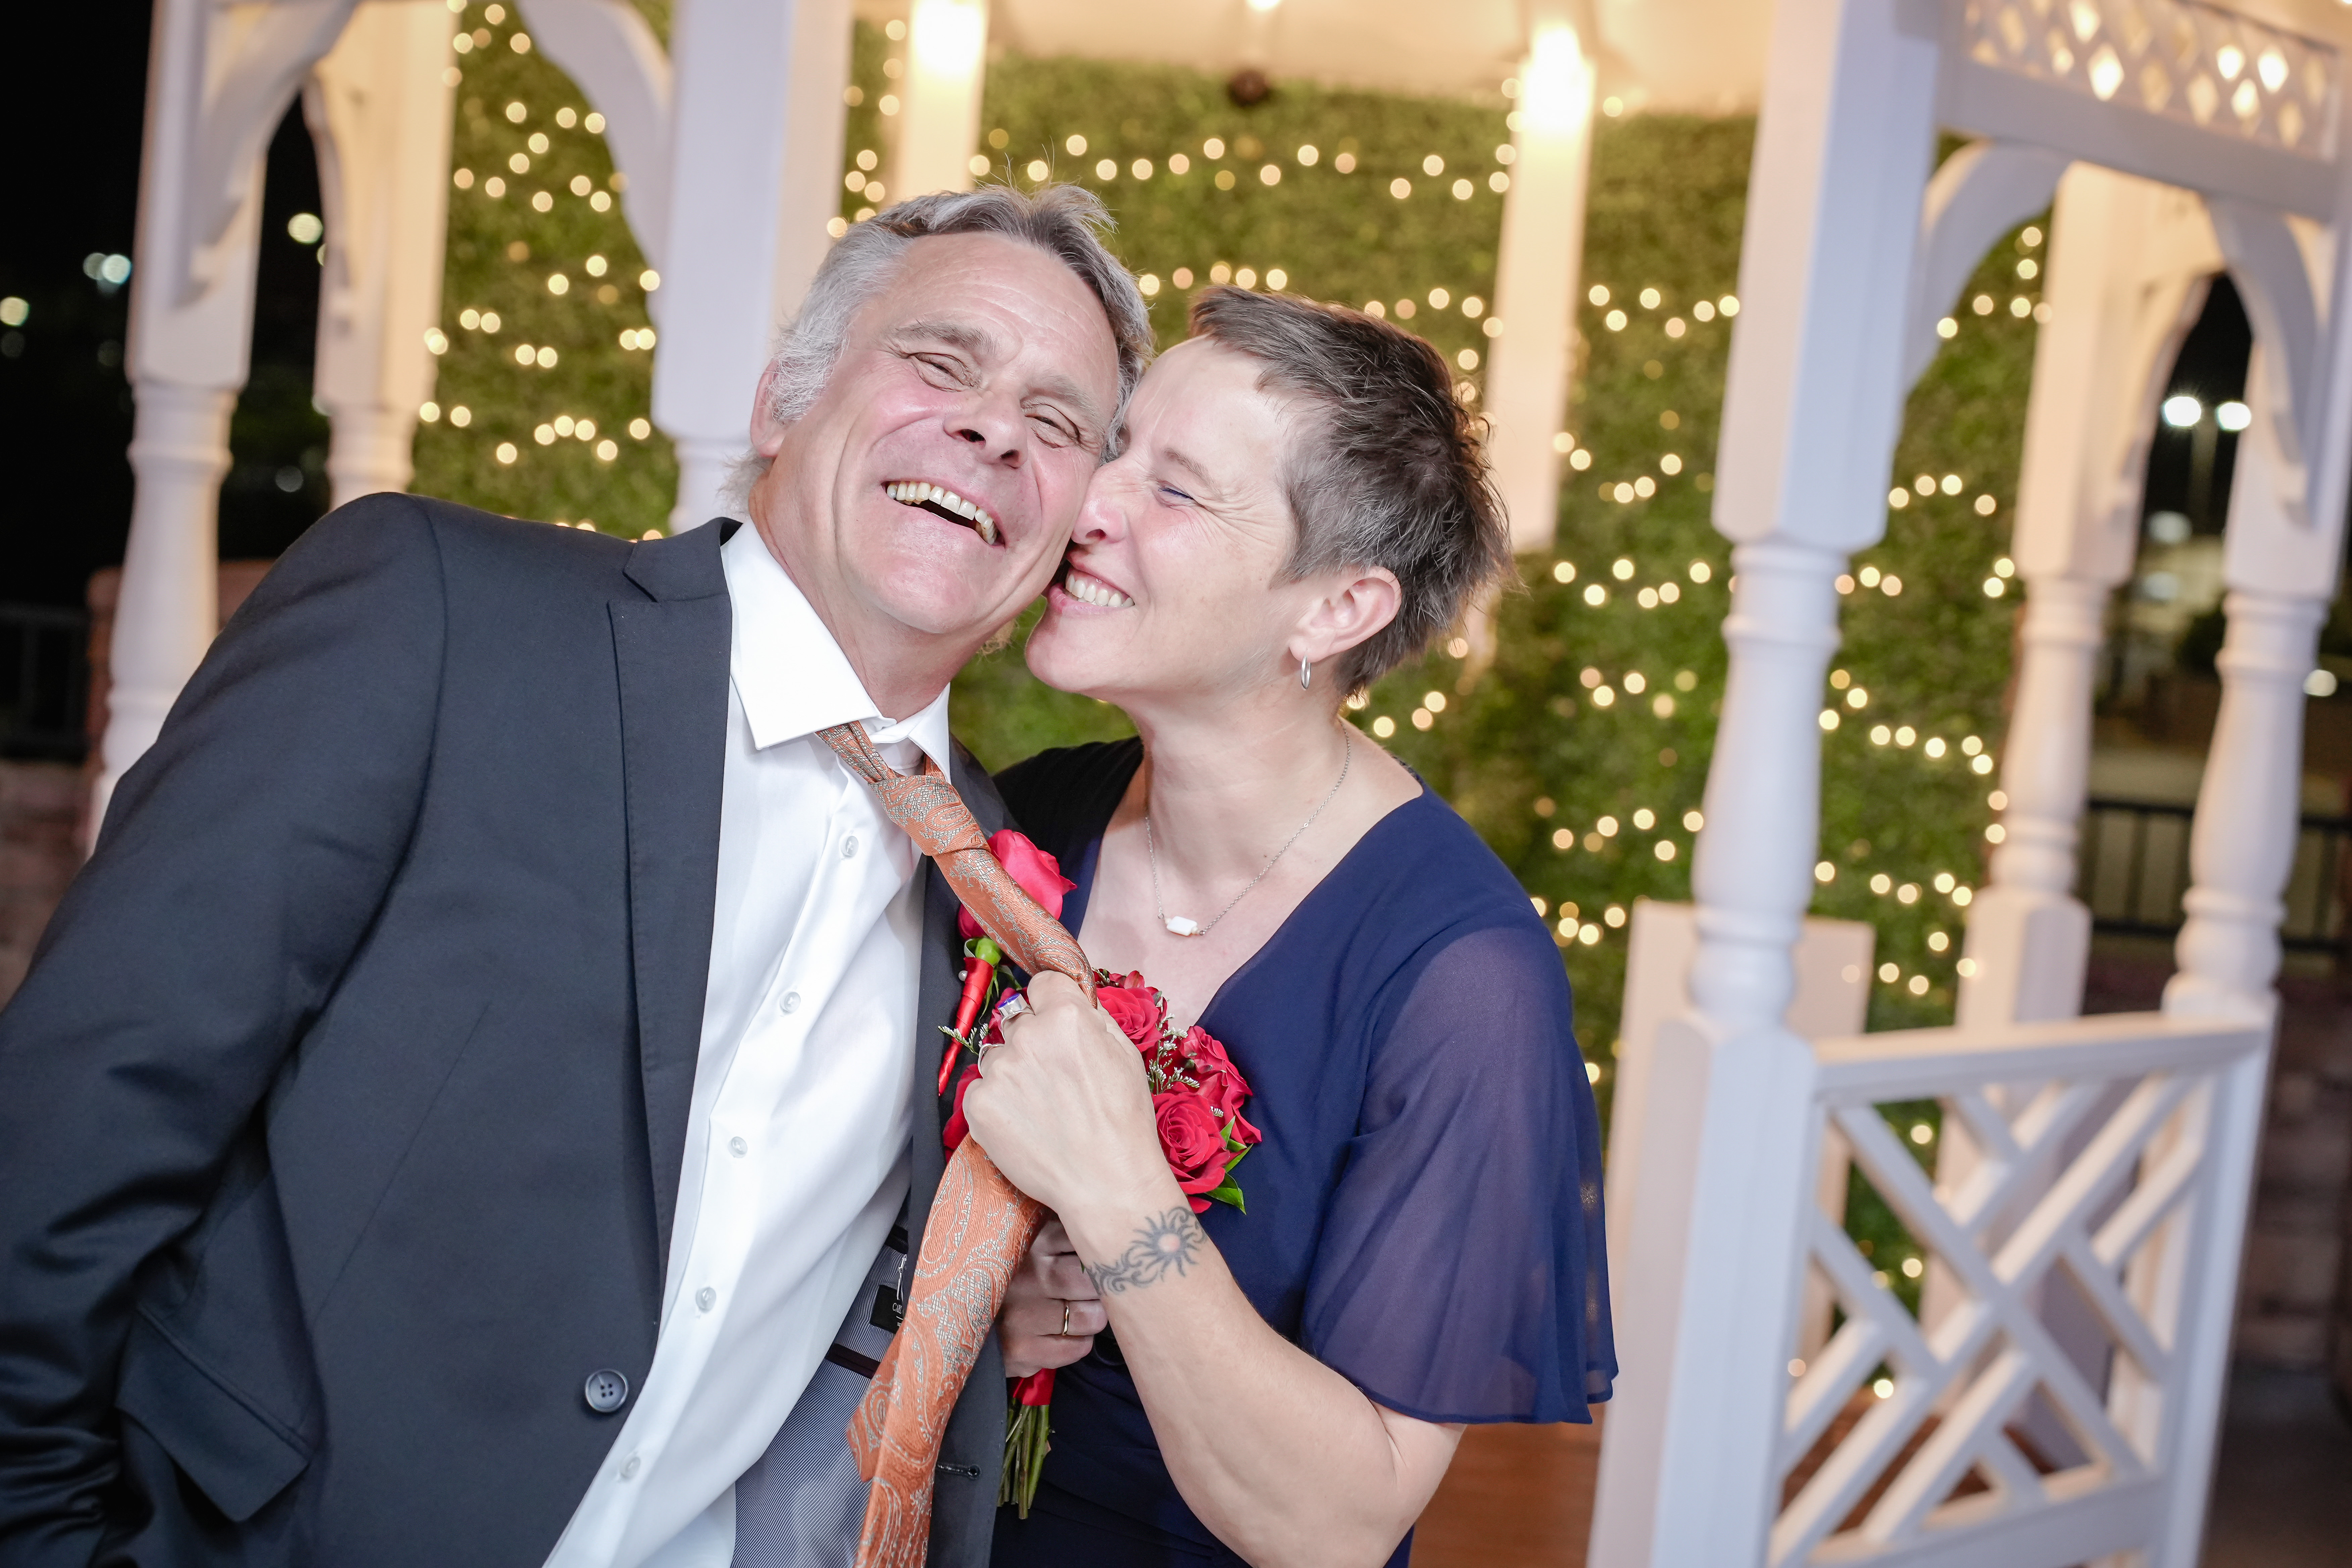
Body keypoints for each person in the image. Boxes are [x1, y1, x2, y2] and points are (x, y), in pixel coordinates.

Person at [0, 185, 1149, 1568]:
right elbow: (70, 1138)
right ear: (783, 401)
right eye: (941, 361)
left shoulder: (998, 881)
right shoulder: (437, 615)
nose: (994, 429)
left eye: (1062, 421)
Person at [974, 288, 1616, 1567]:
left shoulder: (1461, 981)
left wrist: (1115, 1187)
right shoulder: (1029, 823)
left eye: (1177, 491)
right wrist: (978, 1307)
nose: (1086, 505)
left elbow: (1339, 1525)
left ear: (1335, 612)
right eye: (1115, 447)